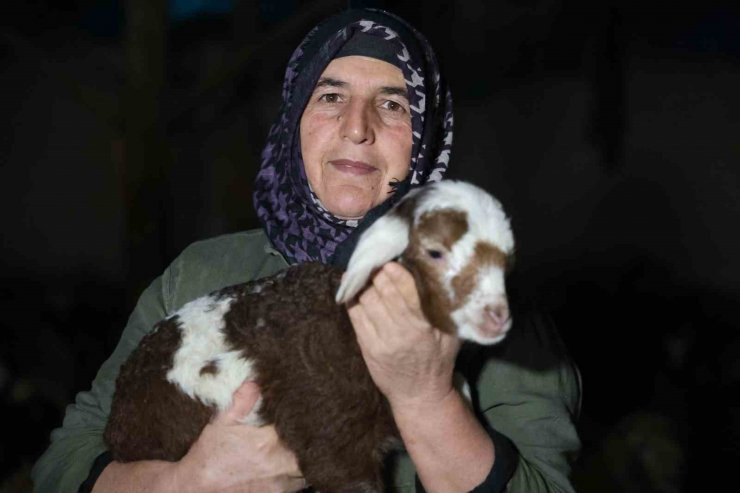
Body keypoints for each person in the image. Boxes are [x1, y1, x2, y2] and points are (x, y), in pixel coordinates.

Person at [32, 8, 581, 493]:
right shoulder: (200, 273)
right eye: (331, 96)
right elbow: (63, 461)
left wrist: (426, 400)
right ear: (295, 118)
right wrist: (181, 483)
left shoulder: (486, 309)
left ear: (428, 138)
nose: (357, 128)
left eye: (393, 104)